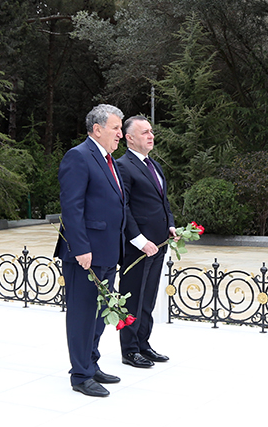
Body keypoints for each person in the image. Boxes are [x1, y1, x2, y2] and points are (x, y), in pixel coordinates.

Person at [54, 104, 127, 397]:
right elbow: (72, 207)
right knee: (83, 315)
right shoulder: (79, 156)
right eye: (116, 128)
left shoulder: (109, 160)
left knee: (99, 316)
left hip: (107, 252)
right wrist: (81, 248)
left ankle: (91, 363)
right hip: (86, 254)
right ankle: (81, 375)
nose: (120, 134)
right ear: (97, 129)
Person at [115, 115, 176, 368]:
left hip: (159, 244)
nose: (151, 136)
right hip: (138, 247)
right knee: (132, 299)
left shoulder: (155, 165)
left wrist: (170, 224)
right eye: (144, 132)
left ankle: (143, 344)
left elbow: (163, 201)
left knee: (148, 297)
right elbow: (123, 207)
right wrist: (139, 240)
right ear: (129, 138)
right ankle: (129, 350)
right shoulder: (122, 166)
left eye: (151, 131)